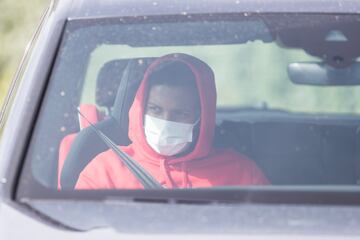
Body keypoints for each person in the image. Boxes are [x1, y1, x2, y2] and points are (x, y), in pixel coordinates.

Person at [76, 53, 269, 189]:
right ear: (140, 110)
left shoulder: (241, 174)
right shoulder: (104, 170)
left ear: (201, 118)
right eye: (155, 110)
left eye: (180, 113)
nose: (166, 122)